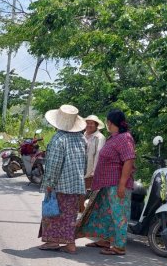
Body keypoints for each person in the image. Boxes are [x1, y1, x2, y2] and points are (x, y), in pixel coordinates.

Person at [78, 109, 136, 256]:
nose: (107, 124)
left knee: (119, 214)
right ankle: (105, 239)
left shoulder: (125, 138)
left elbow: (129, 160)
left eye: (107, 121)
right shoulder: (114, 137)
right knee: (104, 214)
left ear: (110, 122)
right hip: (106, 184)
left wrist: (122, 184)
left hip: (117, 184)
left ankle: (119, 246)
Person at [37, 104, 88, 254]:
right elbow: (84, 163)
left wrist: (49, 184)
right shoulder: (81, 138)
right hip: (76, 183)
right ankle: (69, 243)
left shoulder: (58, 139)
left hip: (60, 184)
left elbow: (54, 164)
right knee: (69, 216)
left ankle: (53, 242)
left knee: (53, 213)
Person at [80, 115, 106, 212]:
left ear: (96, 125)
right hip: (81, 172)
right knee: (80, 199)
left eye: (92, 123)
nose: (89, 125)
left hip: (91, 173)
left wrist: (94, 173)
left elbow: (99, 155)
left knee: (88, 200)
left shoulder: (100, 138)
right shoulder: (83, 135)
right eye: (87, 123)